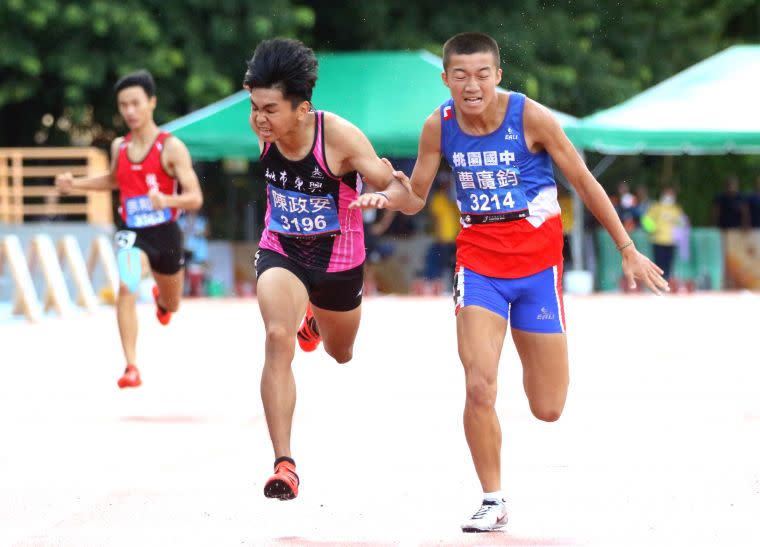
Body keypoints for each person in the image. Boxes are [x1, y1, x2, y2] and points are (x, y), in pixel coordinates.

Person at [350, 32, 668, 533]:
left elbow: (584, 181)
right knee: (479, 384)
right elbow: (415, 195)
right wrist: (388, 197)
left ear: (497, 76)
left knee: (548, 407)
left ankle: (536, 351)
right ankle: (492, 498)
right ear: (446, 79)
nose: (471, 85)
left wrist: (627, 248)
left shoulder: (531, 118)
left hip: (538, 269)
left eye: (481, 74)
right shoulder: (439, 125)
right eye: (460, 75)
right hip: (478, 265)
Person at [243, 38, 414, 501]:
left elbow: (407, 195)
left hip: (340, 263)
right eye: (255, 105)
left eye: (271, 109)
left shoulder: (339, 137)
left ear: (303, 109)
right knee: (278, 337)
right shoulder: (265, 130)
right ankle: (284, 463)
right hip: (282, 250)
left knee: (341, 354)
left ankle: (317, 320)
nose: (260, 119)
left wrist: (386, 195)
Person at [55, 70, 203, 388]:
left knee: (173, 304)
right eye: (123, 105)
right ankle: (131, 366)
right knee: (126, 284)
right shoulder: (119, 147)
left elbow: (195, 198)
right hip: (132, 233)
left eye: (136, 103)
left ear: (151, 103)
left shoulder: (171, 148)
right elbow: (112, 180)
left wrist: (165, 198)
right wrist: (75, 184)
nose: (130, 112)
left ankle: (163, 302)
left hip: (165, 233)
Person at [642, 185, 687, 280]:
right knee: (658, 264)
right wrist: (653, 229)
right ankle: (658, 282)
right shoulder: (656, 207)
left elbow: (682, 222)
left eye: (672, 194)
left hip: (671, 241)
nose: (670, 196)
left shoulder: (676, 208)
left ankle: (666, 283)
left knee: (669, 265)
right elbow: (646, 220)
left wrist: (682, 227)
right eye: (668, 193)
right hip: (658, 240)